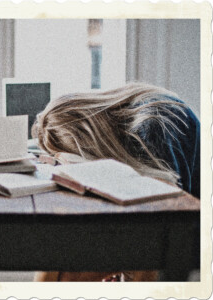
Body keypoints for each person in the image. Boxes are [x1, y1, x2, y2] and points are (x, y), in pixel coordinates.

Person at [32, 82, 200, 282]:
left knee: (60, 271)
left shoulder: (153, 121)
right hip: (171, 231)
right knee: (58, 264)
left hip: (190, 234)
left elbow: (160, 225)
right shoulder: (130, 123)